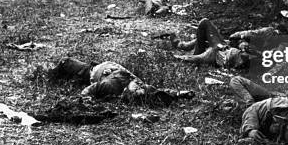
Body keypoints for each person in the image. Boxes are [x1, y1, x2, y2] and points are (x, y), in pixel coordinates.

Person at [52, 58, 194, 104]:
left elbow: (155, 91)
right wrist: (85, 100)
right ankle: (58, 68)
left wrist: (178, 94)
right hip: (96, 70)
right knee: (68, 65)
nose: (139, 90)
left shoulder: (137, 84)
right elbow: (87, 90)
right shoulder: (111, 86)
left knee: (146, 91)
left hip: (110, 68)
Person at [171, 18, 266, 69]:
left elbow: (249, 59)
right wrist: (242, 42)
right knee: (204, 23)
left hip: (223, 54)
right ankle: (183, 46)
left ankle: (186, 50)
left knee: (197, 57)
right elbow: (237, 36)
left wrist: (254, 51)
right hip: (227, 48)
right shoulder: (270, 32)